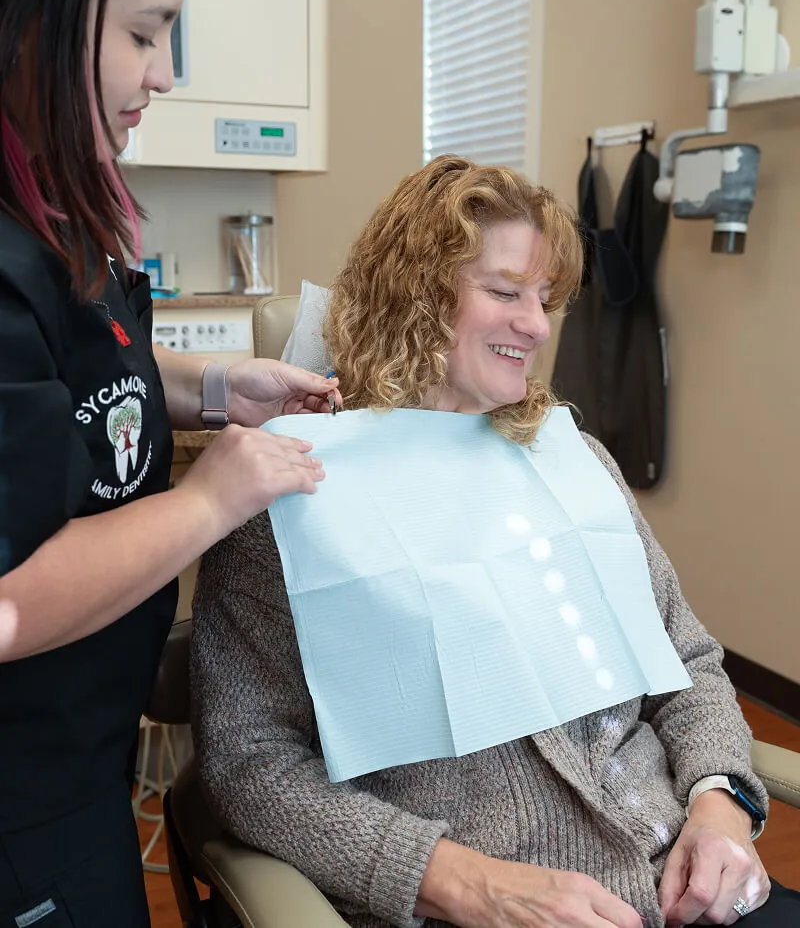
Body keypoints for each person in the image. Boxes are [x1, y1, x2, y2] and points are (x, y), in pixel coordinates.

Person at [191, 155, 800, 928]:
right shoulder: (287, 495)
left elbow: (686, 660)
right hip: (471, 905)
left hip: (676, 878)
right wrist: (461, 881)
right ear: (414, 294)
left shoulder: (571, 462)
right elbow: (252, 764)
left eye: (544, 299)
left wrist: (719, 804)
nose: (537, 325)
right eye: (505, 292)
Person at [0, 0, 340, 925]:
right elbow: (8, 602)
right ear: (29, 20)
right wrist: (208, 499)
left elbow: (95, 365)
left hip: (88, 747)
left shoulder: (52, 199)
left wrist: (222, 387)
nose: (165, 72)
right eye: (143, 34)